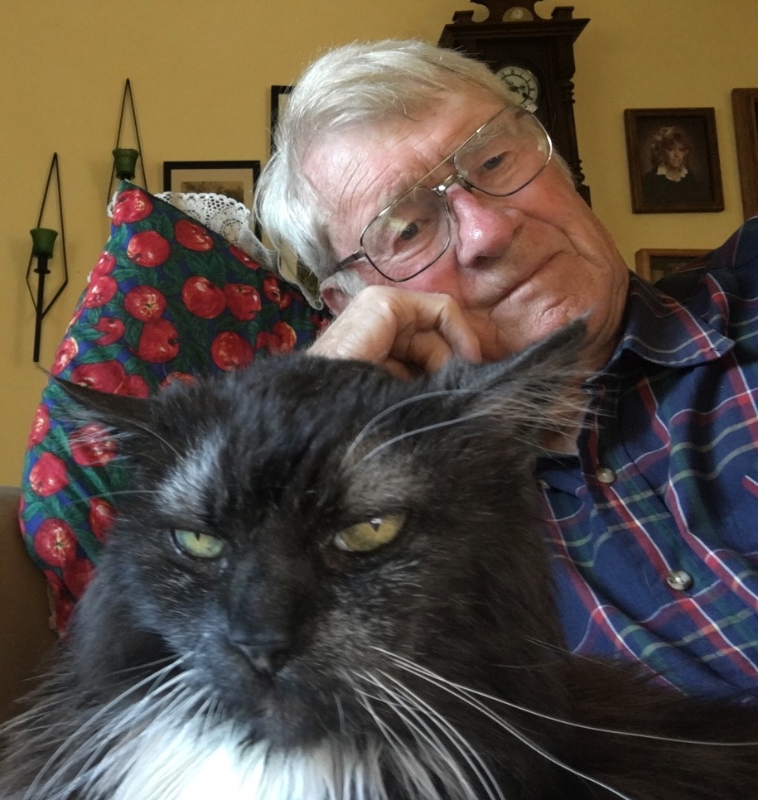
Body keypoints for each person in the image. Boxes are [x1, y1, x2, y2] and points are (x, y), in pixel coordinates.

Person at [254, 39, 758, 701]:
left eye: (493, 161)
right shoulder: (392, 536)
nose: (487, 229)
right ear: (353, 303)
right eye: (407, 229)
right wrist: (317, 403)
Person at [640, 125, 707, 207]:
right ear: (662, 151)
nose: (677, 155)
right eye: (670, 149)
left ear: (685, 153)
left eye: (681, 150)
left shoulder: (692, 180)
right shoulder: (649, 181)